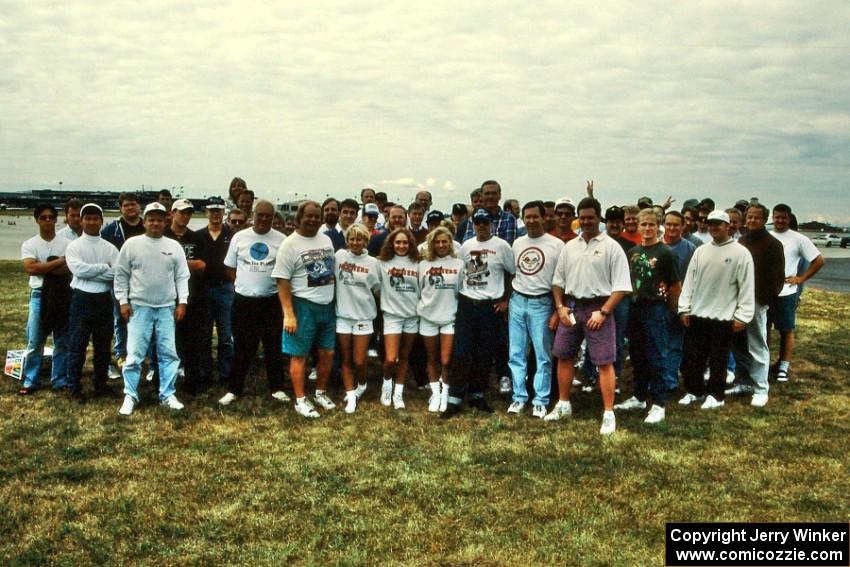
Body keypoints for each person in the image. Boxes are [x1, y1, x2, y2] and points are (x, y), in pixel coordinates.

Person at [546, 197, 632, 435]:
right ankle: (563, 404)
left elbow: (622, 286)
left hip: (599, 308)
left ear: (598, 217)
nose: (585, 222)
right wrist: (560, 307)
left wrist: (604, 312)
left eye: (590, 218)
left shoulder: (611, 246)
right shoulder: (570, 247)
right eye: (581, 218)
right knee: (563, 356)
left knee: (604, 362)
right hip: (572, 308)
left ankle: (608, 413)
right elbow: (557, 282)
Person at [114, 202, 190, 415]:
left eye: (159, 219)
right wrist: (123, 301)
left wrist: (182, 302)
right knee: (134, 355)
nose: (155, 223)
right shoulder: (131, 244)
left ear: (165, 221)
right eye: (151, 219)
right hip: (139, 308)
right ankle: (130, 395)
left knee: (169, 353)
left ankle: (167, 394)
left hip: (166, 308)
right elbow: (121, 276)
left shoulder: (174, 246)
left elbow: (182, 276)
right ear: (144, 221)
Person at [677, 210, 754, 410]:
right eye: (710, 224)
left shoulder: (740, 253)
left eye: (718, 224)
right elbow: (689, 282)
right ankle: (694, 391)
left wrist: (742, 316)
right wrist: (684, 309)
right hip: (698, 314)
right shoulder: (700, 251)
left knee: (719, 360)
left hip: (724, 316)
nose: (714, 228)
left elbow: (746, 286)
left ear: (728, 226)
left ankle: (716, 395)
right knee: (695, 357)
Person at [443, 209, 516, 418]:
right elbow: (460, 272)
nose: (481, 226)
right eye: (478, 222)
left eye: (485, 222)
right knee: (462, 352)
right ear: (473, 224)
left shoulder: (502, 246)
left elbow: (512, 274)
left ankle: (477, 395)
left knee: (484, 354)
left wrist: (506, 300)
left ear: (491, 224)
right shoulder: (466, 245)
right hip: (467, 304)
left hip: (489, 306)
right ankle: (454, 398)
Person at [218, 201, 289, 406]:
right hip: (244, 302)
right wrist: (244, 284)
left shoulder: (281, 240)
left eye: (268, 215)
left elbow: (285, 272)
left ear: (273, 217)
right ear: (253, 214)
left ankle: (277, 388)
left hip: (271, 302)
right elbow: (230, 268)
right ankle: (234, 389)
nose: (264, 219)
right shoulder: (240, 237)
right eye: (261, 215)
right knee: (242, 347)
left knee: (273, 346)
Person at [614, 209, 681, 424]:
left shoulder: (665, 253)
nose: (647, 228)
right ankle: (639, 395)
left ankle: (659, 402)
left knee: (656, 355)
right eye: (643, 224)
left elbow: (675, 285)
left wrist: (670, 309)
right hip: (635, 307)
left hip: (656, 308)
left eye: (651, 224)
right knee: (637, 354)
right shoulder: (632, 252)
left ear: (658, 226)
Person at [274, 201, 337, 418]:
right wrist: (288, 313)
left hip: (327, 306)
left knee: (327, 352)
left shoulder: (326, 240)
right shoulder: (289, 244)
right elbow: (281, 281)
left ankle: (320, 392)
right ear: (299, 218)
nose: (312, 219)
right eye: (308, 216)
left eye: (316, 216)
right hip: (302, 306)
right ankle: (300, 399)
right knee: (299, 355)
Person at [506, 201, 563, 418]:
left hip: (543, 303)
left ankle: (540, 400)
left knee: (543, 355)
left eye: (534, 217)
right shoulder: (518, 243)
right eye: (527, 217)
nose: (531, 221)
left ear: (543, 217)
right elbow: (513, 273)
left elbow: (561, 280)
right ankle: (519, 397)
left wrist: (558, 310)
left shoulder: (556, 245)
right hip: (518, 301)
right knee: (516, 353)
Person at [727, 204, 785, 407]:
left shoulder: (772, 244)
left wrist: (763, 300)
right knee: (737, 344)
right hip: (736, 302)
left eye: (756, 218)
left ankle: (761, 388)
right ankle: (744, 381)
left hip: (757, 303)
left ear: (764, 220)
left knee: (757, 345)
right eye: (749, 218)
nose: (751, 221)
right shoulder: (741, 241)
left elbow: (778, 279)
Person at [64, 203, 119, 399]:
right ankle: (73, 386)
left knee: (103, 346)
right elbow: (78, 270)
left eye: (96, 218)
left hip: (103, 300)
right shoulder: (74, 246)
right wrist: (104, 268)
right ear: (81, 220)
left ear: (101, 221)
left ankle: (101, 385)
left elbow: (117, 274)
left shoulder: (110, 248)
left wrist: (95, 271)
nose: (91, 222)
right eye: (87, 218)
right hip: (81, 298)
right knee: (77, 345)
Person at [18, 203, 71, 395]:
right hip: (39, 294)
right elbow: (31, 268)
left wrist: (45, 266)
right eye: (43, 217)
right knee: (35, 340)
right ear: (37, 220)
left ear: (56, 220)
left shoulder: (66, 243)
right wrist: (57, 261)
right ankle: (31, 380)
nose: (48, 221)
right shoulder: (30, 244)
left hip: (62, 294)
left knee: (62, 339)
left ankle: (59, 380)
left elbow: (69, 268)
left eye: (51, 217)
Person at [769, 203, 824, 382]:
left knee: (786, 330)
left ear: (789, 218)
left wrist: (801, 278)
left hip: (787, 292)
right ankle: (764, 363)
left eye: (784, 217)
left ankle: (784, 366)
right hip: (766, 292)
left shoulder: (799, 239)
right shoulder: (766, 236)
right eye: (777, 217)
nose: (780, 220)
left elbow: (818, 260)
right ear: (772, 217)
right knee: (764, 330)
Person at [334, 224, 381, 413]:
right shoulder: (339, 256)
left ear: (365, 241)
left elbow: (378, 290)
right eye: (352, 239)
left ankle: (362, 384)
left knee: (359, 360)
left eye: (359, 239)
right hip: (343, 316)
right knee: (345, 358)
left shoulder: (373, 262)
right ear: (347, 241)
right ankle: (351, 395)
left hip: (364, 316)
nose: (355, 242)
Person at [418, 226, 464, 413]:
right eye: (437, 242)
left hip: (449, 317)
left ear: (451, 243)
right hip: (428, 317)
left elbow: (462, 291)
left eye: (445, 241)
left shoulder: (458, 264)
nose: (441, 245)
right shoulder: (423, 265)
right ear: (432, 244)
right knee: (431, 358)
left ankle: (445, 392)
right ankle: (435, 394)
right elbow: (419, 290)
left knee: (446, 360)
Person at [165, 199, 209, 394]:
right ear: (172, 213)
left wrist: (177, 263)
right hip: (166, 296)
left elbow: (202, 265)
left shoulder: (196, 237)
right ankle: (164, 381)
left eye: (189, 213)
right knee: (166, 342)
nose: (185, 216)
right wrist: (187, 263)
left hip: (192, 297)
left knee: (192, 343)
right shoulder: (163, 235)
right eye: (182, 212)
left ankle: (193, 384)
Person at [102, 192, 145, 378]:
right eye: (126, 205)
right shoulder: (112, 229)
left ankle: (144, 353)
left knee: (143, 317)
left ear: (139, 206)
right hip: (119, 280)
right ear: (121, 208)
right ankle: (121, 353)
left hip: (144, 280)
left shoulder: (147, 225)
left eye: (133, 204)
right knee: (120, 317)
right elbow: (103, 251)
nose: (130, 208)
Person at [378, 228, 421, 410]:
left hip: (412, 316)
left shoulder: (418, 263)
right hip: (392, 316)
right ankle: (387, 384)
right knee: (390, 358)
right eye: (398, 242)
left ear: (410, 244)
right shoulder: (382, 263)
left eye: (405, 242)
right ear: (391, 244)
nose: (401, 246)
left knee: (404, 356)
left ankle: (398, 392)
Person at [197, 196, 234, 388]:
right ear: (206, 212)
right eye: (212, 210)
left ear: (224, 211)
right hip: (204, 290)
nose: (215, 214)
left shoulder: (232, 234)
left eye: (219, 210)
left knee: (226, 334)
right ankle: (205, 373)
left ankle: (226, 373)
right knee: (204, 334)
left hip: (225, 288)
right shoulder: (198, 235)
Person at [660, 210, 697, 391]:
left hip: (680, 304)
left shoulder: (690, 249)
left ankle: (670, 381)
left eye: (676, 224)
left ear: (683, 226)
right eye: (669, 224)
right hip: (657, 304)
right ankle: (655, 379)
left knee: (675, 344)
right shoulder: (655, 244)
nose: (672, 228)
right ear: (663, 225)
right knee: (657, 344)